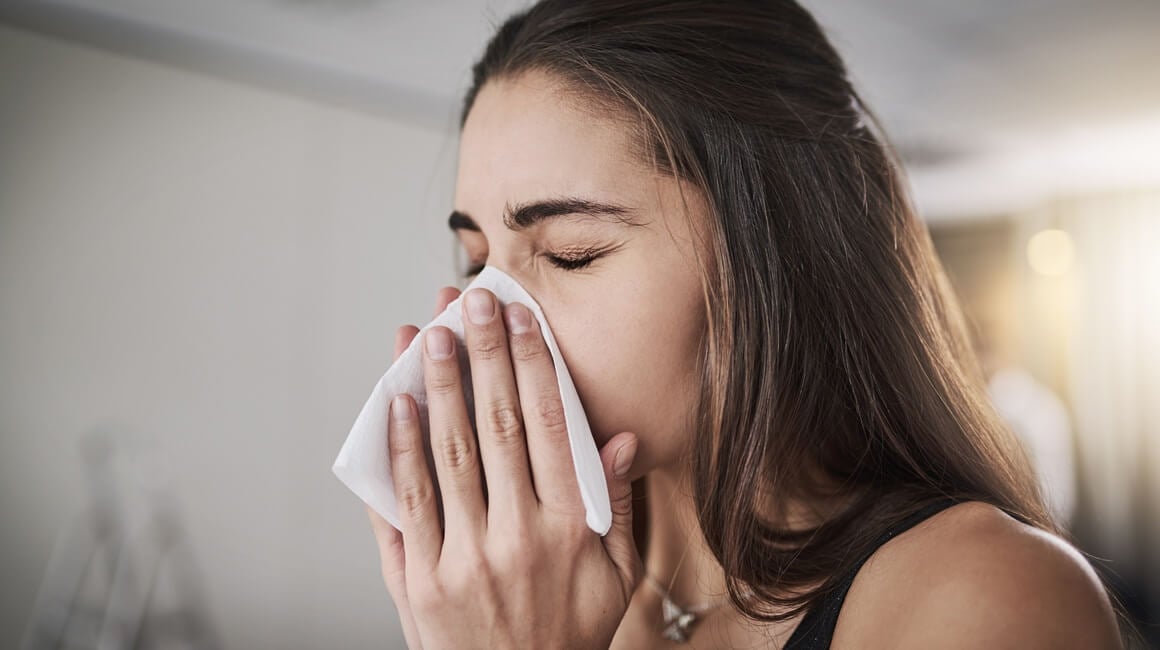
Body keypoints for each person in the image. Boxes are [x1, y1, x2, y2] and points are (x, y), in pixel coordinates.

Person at [365, 1, 1124, 647]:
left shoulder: (980, 600)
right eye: (476, 261)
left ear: (770, 252)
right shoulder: (536, 585)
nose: (487, 318)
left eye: (571, 253)